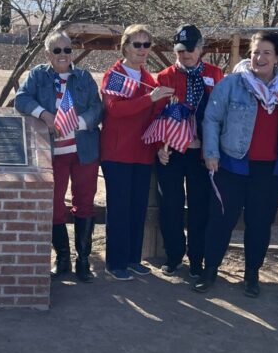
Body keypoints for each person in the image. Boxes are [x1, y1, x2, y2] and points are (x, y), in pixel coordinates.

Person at [198, 31, 278, 297]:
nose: (259, 57)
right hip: (232, 164)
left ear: (277, 57)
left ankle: (252, 274)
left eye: (266, 52)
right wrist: (211, 152)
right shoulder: (231, 83)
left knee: (260, 223)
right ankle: (210, 270)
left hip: (272, 170)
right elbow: (212, 119)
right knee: (221, 219)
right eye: (255, 52)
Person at [15, 30, 103, 283]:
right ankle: (62, 257)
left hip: (83, 151)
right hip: (53, 152)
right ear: (48, 54)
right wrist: (44, 114)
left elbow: (98, 108)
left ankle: (83, 259)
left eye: (67, 49)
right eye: (57, 50)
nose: (63, 54)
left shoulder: (84, 77)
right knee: (54, 206)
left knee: (85, 203)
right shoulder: (38, 75)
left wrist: (81, 121)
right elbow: (21, 99)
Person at [100, 24, 172, 281]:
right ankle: (115, 262)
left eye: (147, 45)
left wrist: (159, 146)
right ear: (125, 47)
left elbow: (154, 117)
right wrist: (149, 99)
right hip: (117, 153)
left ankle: (132, 258)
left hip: (142, 154)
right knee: (119, 209)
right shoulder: (115, 75)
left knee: (138, 208)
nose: (142, 50)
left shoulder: (150, 79)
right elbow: (115, 109)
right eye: (136, 44)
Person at [154, 24, 224, 278]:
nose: (186, 55)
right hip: (171, 152)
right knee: (170, 206)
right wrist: (159, 148)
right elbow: (156, 116)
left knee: (200, 207)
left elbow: (222, 116)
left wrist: (213, 149)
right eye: (181, 50)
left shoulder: (216, 75)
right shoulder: (165, 77)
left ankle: (197, 258)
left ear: (201, 48)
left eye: (191, 49)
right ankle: (174, 255)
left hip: (202, 153)